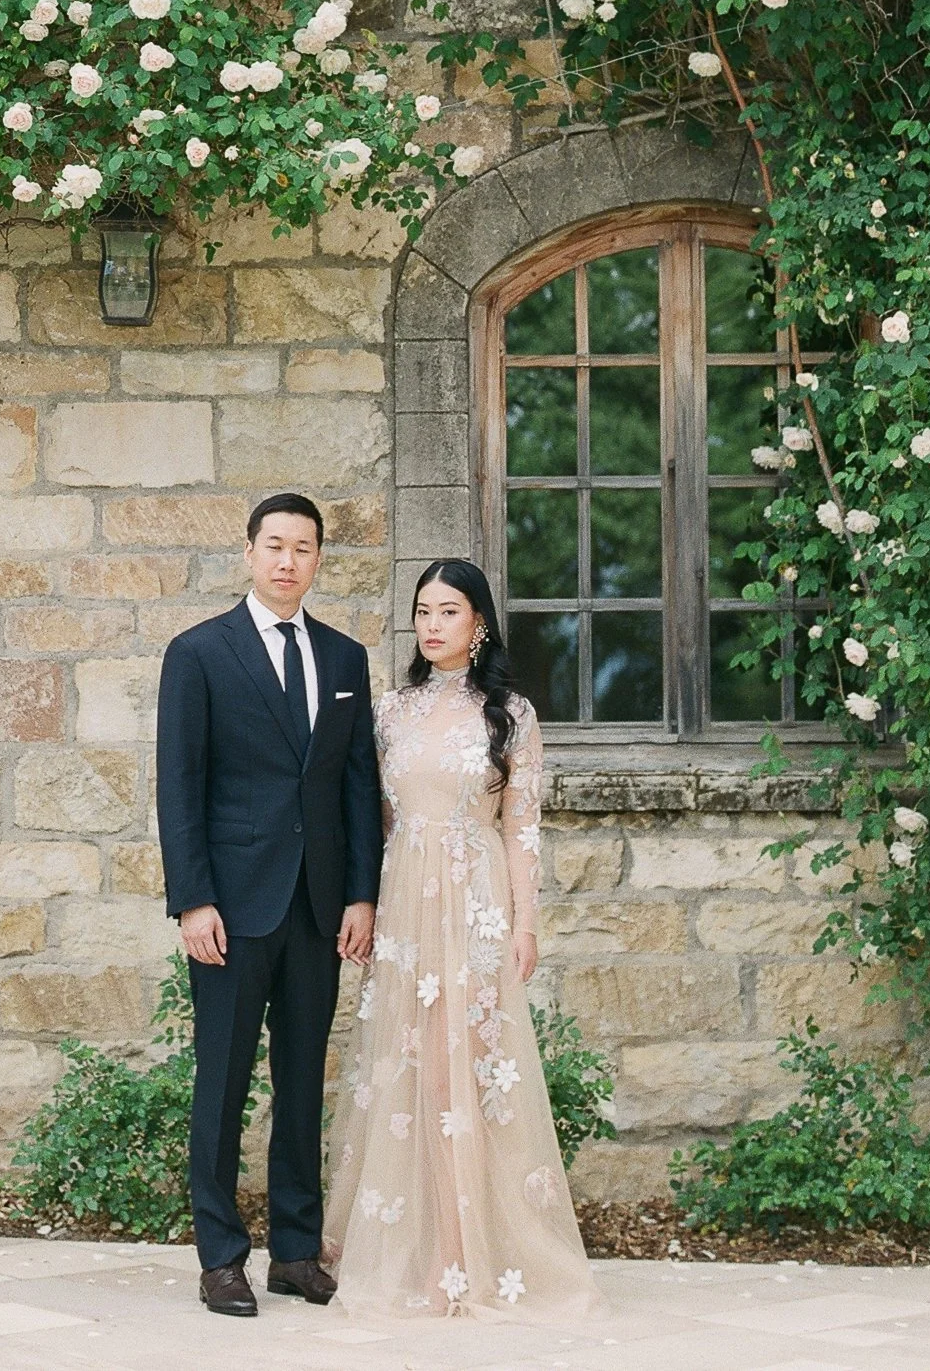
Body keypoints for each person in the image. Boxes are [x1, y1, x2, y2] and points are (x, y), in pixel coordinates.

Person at [323, 559, 605, 1321]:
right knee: (409, 1069)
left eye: (448, 611)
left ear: (478, 622)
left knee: (465, 1077)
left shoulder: (510, 715)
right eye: (423, 611)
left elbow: (521, 830)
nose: (432, 624)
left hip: (474, 903)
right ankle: (416, 1248)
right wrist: (365, 904)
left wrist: (524, 923)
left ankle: (462, 1257)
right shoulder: (390, 712)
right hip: (405, 909)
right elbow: (374, 822)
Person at [155, 492, 382, 1317]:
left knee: (301, 1081)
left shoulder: (345, 659)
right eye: (275, 545)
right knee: (221, 1084)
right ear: (249, 553)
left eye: (304, 548)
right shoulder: (198, 653)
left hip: (317, 909)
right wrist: (193, 901)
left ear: (318, 560)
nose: (288, 561)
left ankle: (294, 1251)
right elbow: (179, 785)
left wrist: (360, 894)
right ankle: (220, 1257)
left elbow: (357, 787)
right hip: (230, 908)